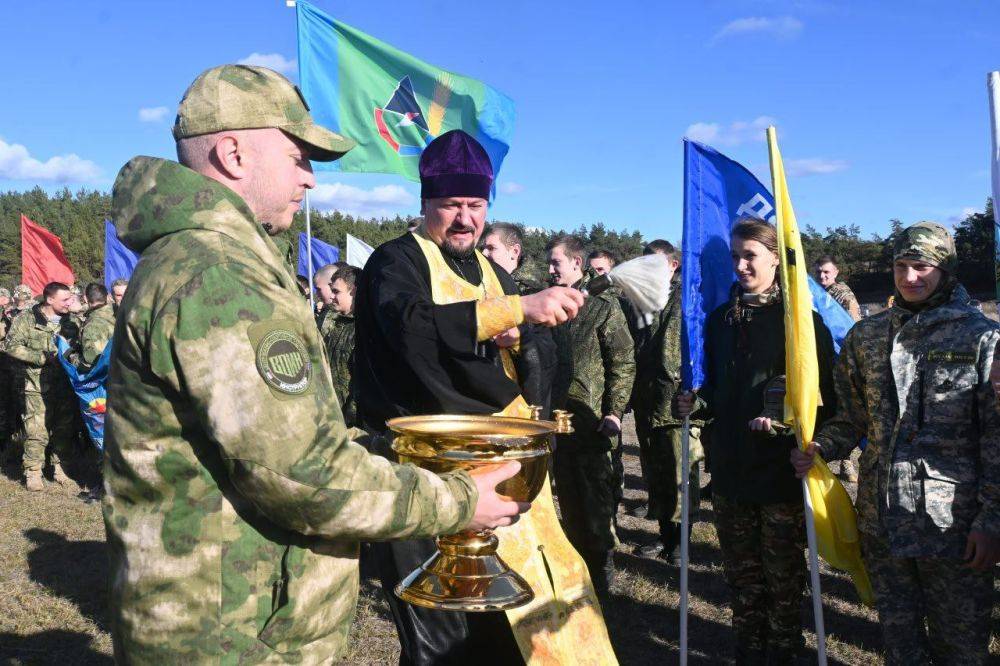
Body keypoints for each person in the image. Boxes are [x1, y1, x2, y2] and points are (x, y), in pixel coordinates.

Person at [103, 65, 529, 663]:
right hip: (233, 632)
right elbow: (301, 477)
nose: (310, 179)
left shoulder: (202, 258)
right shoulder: (220, 276)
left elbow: (282, 438)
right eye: (299, 156)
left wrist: (390, 454)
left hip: (234, 609)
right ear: (232, 153)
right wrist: (458, 500)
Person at [355, 129, 586, 665]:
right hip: (423, 474)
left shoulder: (492, 271)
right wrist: (510, 313)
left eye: (475, 205)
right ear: (425, 204)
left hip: (497, 470)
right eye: (451, 205)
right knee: (442, 634)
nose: (464, 219)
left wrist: (523, 334)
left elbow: (547, 356)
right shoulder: (396, 262)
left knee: (507, 624)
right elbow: (410, 330)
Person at [793, 222, 1000, 665]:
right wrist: (822, 447)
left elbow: (996, 438)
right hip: (883, 518)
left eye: (921, 267)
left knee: (961, 647)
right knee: (900, 643)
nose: (909, 278)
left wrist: (991, 519)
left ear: (946, 269)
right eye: (901, 266)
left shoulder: (982, 338)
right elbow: (851, 418)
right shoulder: (867, 337)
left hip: (954, 525)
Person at [677, 218, 836, 663]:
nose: (741, 265)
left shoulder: (801, 324)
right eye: (735, 257)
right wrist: (695, 403)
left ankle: (785, 650)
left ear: (774, 259)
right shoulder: (719, 320)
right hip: (730, 469)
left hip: (779, 472)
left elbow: (826, 399)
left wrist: (787, 428)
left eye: (750, 256)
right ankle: (749, 648)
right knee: (742, 575)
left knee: (782, 577)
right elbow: (719, 392)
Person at [547, 234, 635, 597]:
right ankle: (577, 569)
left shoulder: (602, 308)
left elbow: (623, 363)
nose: (550, 270)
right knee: (566, 497)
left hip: (593, 421)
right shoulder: (547, 307)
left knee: (596, 501)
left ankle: (601, 572)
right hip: (556, 421)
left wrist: (614, 413)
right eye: (549, 264)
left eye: (557, 263)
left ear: (576, 265)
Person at [631, 240, 704, 564]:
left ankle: (681, 544)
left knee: (680, 476)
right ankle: (664, 536)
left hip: (676, 404)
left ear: (673, 265)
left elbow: (678, 353)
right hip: (648, 401)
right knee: (657, 476)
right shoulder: (645, 300)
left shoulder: (686, 298)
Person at [1, 282, 80, 492]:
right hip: (36, 384)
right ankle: (33, 471)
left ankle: (60, 468)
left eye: (70, 299)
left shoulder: (72, 321)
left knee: (64, 428)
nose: (69, 303)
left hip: (65, 385)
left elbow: (79, 348)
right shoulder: (26, 319)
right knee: (37, 430)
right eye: (65, 300)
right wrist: (41, 358)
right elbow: (10, 346)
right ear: (49, 299)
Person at [480, 222, 558, 416]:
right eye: (482, 248)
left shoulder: (538, 293)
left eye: (491, 248)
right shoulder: (482, 288)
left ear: (514, 251)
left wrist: (520, 338)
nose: (484, 254)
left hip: (526, 406)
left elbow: (554, 354)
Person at [813, 255, 860, 483]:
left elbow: (851, 331)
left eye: (826, 272)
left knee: (843, 408)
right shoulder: (815, 293)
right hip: (822, 360)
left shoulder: (843, 295)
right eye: (819, 272)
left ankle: (847, 462)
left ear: (836, 272)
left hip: (839, 362)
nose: (822, 276)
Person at [326, 265, 359, 426]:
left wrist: (349, 421)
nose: (331, 297)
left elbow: (361, 383)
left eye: (336, 292)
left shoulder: (363, 328)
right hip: (329, 414)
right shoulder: (334, 324)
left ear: (353, 291)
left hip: (351, 424)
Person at [77, 283, 115, 369]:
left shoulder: (93, 325)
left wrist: (68, 355)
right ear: (107, 296)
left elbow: (92, 360)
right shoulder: (116, 313)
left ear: (85, 299)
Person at [312, 262, 340, 343]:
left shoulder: (346, 314)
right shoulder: (324, 311)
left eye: (319, 289)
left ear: (331, 285)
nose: (317, 293)